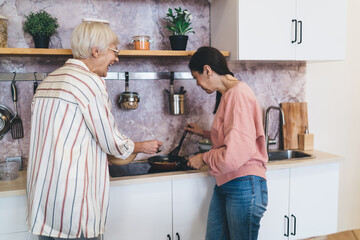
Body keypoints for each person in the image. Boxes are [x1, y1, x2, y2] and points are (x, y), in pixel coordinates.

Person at [26, 22, 162, 240]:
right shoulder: (89, 82)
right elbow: (111, 141)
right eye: (114, 51)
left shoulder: (48, 82)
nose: (116, 58)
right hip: (74, 205)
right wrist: (139, 146)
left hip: (45, 202)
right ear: (95, 50)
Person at [185, 46, 268, 240]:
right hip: (228, 182)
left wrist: (204, 158)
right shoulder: (230, 94)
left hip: (244, 184)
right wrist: (204, 132)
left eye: (196, 77)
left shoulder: (238, 94)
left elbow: (235, 152)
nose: (197, 84)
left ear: (207, 70)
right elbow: (233, 135)